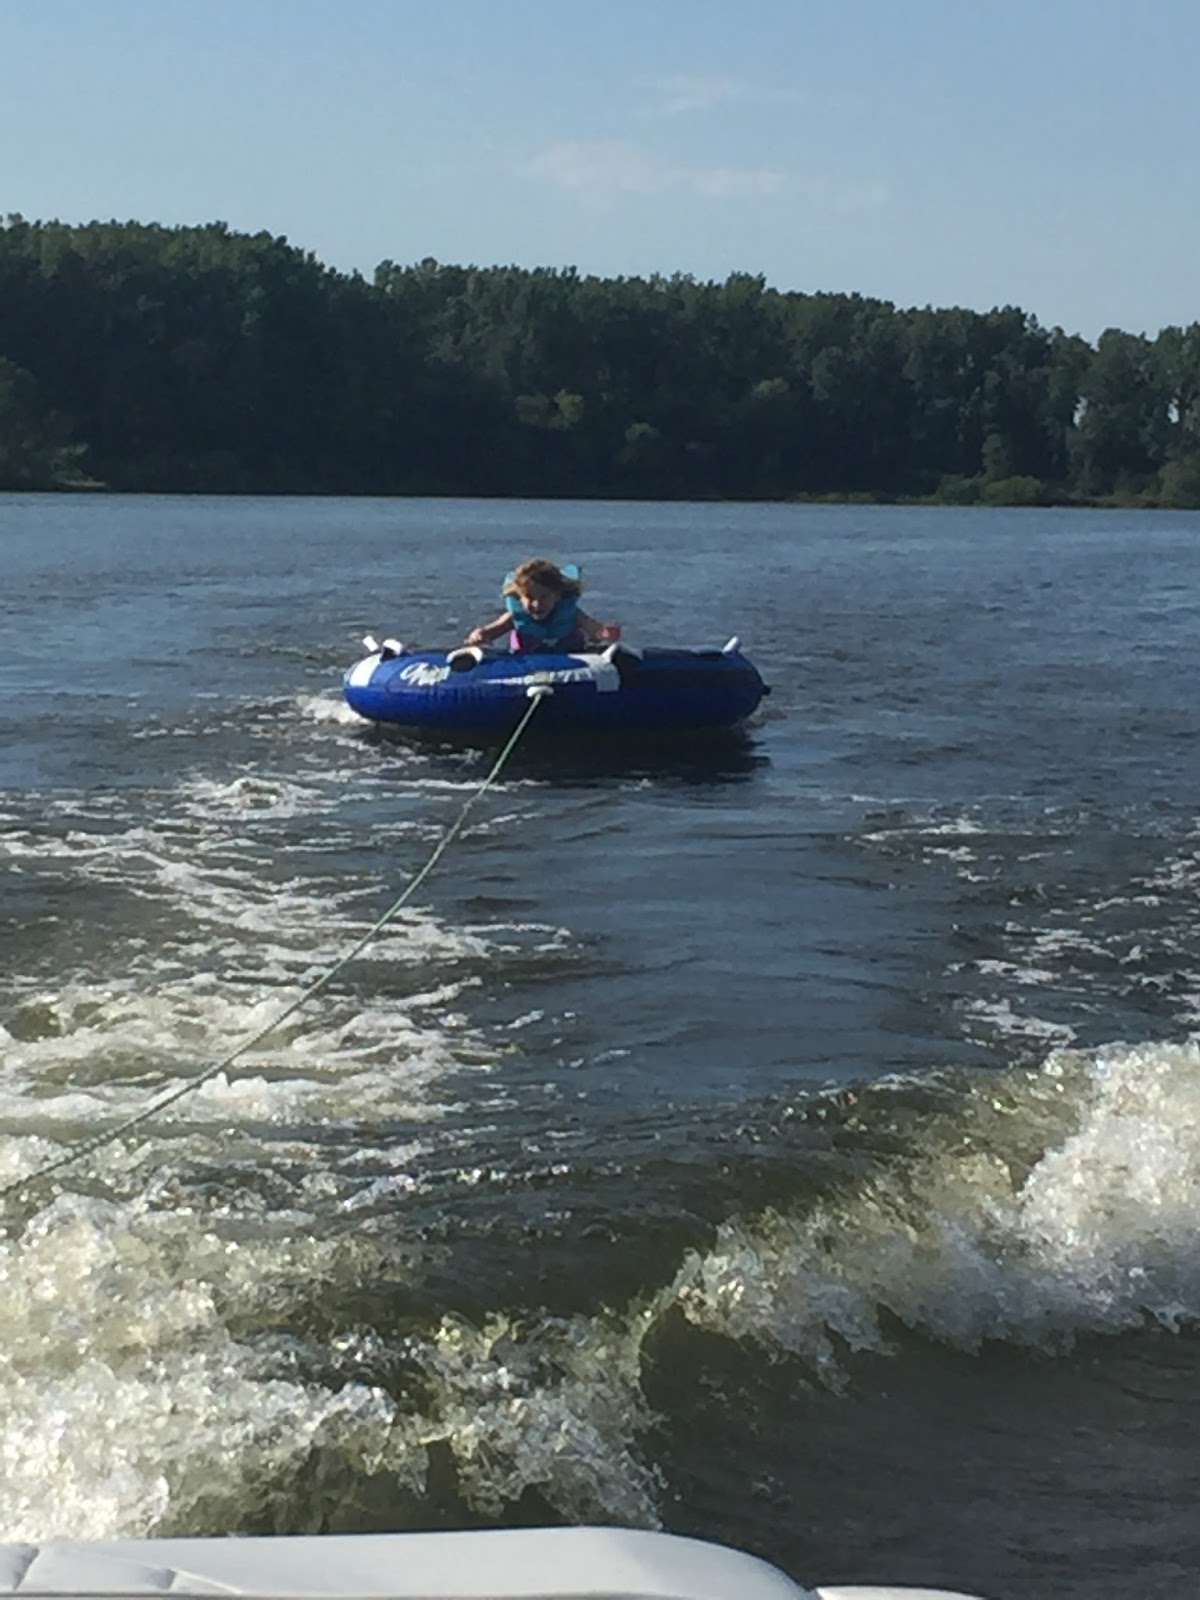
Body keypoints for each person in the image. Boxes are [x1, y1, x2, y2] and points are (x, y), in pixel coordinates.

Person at [464, 558, 620, 653]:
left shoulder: (572, 614)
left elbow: (593, 629)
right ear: (519, 598)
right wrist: (480, 635)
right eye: (530, 597)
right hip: (528, 665)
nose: (537, 604)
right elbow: (492, 630)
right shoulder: (515, 617)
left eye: (544, 597)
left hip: (570, 663)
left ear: (557, 596)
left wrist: (604, 633)